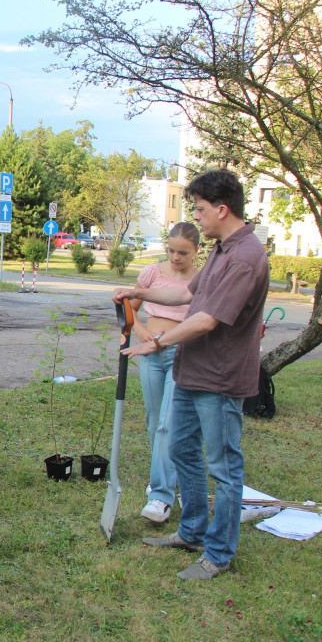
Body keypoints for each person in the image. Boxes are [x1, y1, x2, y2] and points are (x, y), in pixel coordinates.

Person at [113, 169, 269, 581]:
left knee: (224, 467)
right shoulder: (221, 250)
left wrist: (157, 342)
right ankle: (193, 531)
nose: (196, 217)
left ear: (222, 209)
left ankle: (217, 555)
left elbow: (205, 321)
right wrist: (140, 293)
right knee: (181, 448)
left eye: (199, 210)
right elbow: (186, 294)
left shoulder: (247, 258)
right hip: (191, 370)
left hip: (219, 379)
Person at [126, 222, 200, 523]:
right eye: (171, 251)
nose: (175, 257)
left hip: (182, 354)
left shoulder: (201, 279)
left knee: (169, 423)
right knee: (154, 421)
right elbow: (129, 307)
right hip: (151, 355)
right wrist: (141, 331)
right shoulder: (152, 273)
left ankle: (161, 496)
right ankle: (165, 475)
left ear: (196, 251)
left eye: (183, 252)